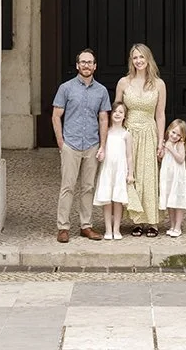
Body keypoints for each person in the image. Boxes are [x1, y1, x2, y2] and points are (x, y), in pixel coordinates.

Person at [52, 47, 110, 243]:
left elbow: (104, 119)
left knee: (88, 187)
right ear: (77, 65)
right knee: (67, 186)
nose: (86, 65)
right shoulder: (66, 88)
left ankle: (86, 226)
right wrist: (61, 143)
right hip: (71, 144)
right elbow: (56, 116)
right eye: (83, 62)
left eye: (90, 62)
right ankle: (63, 227)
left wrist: (102, 145)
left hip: (92, 145)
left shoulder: (101, 91)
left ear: (95, 66)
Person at [115, 43, 167, 237]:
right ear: (131, 60)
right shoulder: (123, 82)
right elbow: (118, 110)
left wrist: (161, 141)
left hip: (148, 132)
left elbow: (160, 114)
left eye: (141, 57)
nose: (138, 61)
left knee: (148, 176)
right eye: (135, 58)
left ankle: (151, 221)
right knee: (131, 175)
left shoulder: (159, 84)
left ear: (148, 59)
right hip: (128, 133)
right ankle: (136, 220)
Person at [92, 103, 136, 240]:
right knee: (107, 200)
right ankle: (108, 229)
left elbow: (129, 156)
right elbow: (102, 148)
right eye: (115, 111)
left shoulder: (126, 134)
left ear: (125, 116)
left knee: (118, 200)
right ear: (111, 114)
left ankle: (117, 229)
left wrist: (130, 173)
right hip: (107, 169)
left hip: (120, 170)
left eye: (121, 112)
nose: (117, 114)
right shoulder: (107, 132)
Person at [159, 119, 186, 238]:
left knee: (178, 202)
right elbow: (161, 158)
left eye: (178, 135)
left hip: (177, 177)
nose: (174, 136)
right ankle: (172, 225)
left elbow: (180, 159)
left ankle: (178, 226)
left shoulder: (179, 145)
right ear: (169, 130)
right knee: (170, 201)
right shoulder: (166, 142)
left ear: (182, 137)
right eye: (173, 132)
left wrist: (171, 149)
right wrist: (162, 150)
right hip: (167, 176)